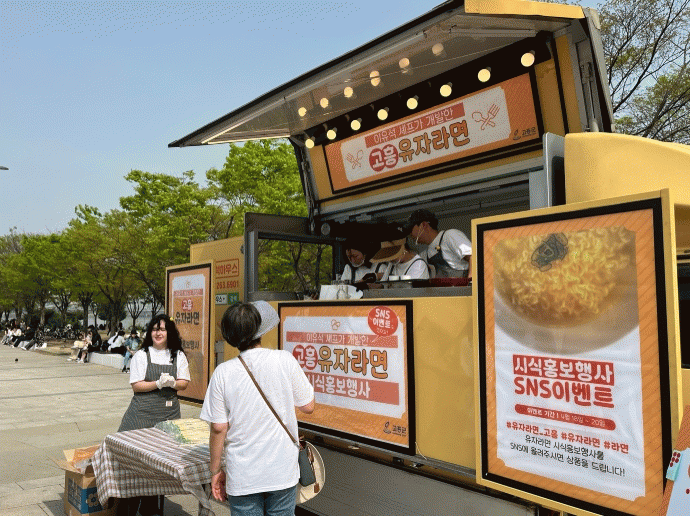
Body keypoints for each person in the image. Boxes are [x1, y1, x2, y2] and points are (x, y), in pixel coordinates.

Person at [200, 301, 315, 516]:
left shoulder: (223, 373)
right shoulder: (284, 360)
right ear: (258, 328)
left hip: (243, 474)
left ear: (230, 336)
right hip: (282, 469)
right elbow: (308, 406)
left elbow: (218, 428)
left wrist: (215, 470)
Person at [118, 314, 190, 516]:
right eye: (155, 329)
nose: (158, 333)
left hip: (168, 416)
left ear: (169, 332)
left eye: (163, 329)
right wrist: (157, 383)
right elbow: (136, 385)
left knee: (157, 465)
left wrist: (173, 383)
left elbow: (184, 382)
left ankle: (150, 508)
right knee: (134, 465)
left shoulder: (178, 355)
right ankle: (127, 508)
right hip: (141, 415)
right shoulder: (142, 355)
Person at [406, 208, 472, 278]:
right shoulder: (425, 254)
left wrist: (471, 281)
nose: (410, 234)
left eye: (411, 229)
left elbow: (473, 257)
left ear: (424, 225)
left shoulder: (449, 235)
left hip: (463, 284)